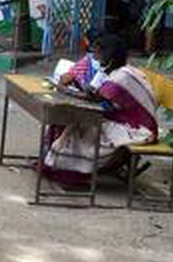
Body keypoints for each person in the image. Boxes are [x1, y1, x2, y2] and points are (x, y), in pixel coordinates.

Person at [43, 34, 159, 185]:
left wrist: (62, 89)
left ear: (108, 56)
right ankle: (60, 163)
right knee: (80, 123)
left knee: (83, 127)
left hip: (139, 129)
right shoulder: (122, 72)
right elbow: (98, 95)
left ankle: (69, 168)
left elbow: (94, 98)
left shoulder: (122, 77)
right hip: (130, 121)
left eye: (97, 55)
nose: (95, 59)